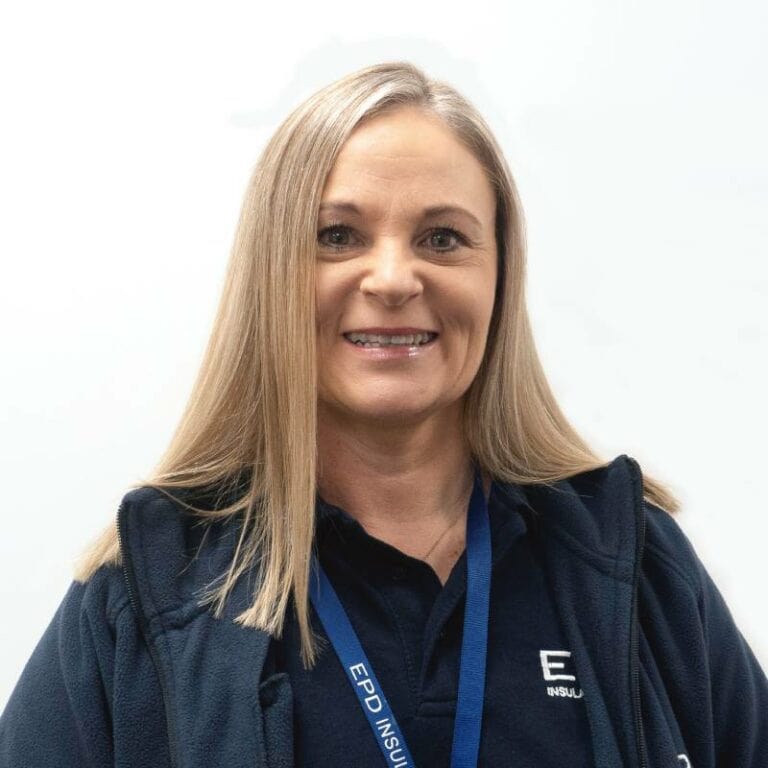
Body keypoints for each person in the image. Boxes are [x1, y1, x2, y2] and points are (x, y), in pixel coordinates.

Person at [1, 60, 765, 768]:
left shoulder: (633, 566)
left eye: (443, 238)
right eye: (337, 236)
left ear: (499, 276)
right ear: (272, 275)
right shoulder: (146, 593)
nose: (395, 277)